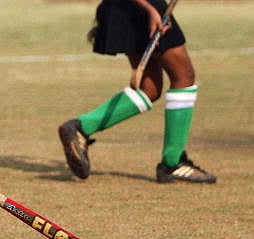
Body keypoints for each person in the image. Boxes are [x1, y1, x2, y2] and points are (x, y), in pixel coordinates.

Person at [58, 0, 216, 183]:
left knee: (149, 89)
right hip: (143, 9)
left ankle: (82, 126)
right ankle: (173, 162)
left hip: (126, 9)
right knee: (184, 77)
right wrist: (149, 9)